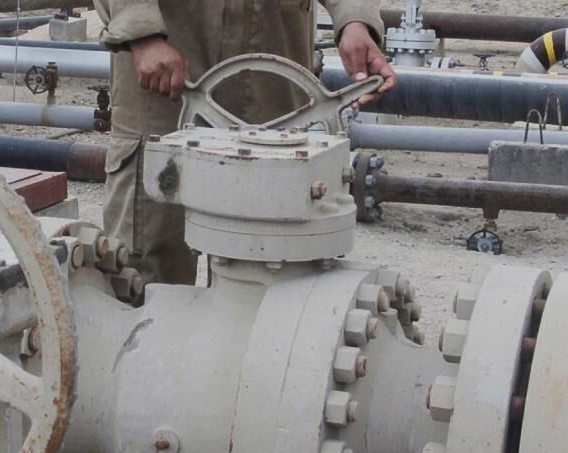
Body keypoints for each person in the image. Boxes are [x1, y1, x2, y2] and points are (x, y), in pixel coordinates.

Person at [93, 0, 397, 285]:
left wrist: (355, 20)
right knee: (144, 272)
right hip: (167, 73)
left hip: (273, 77)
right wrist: (142, 34)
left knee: (271, 271)